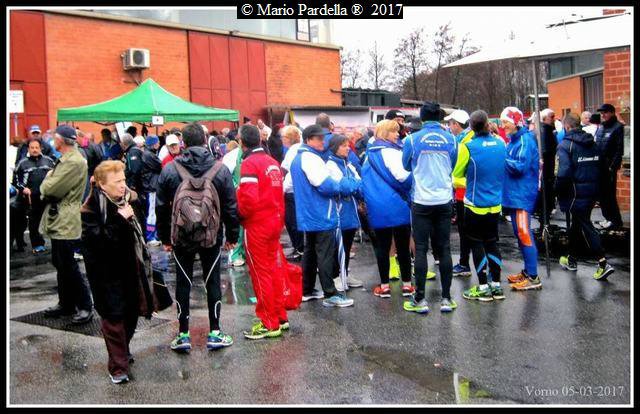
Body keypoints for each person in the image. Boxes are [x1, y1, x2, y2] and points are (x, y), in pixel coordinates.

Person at [81, 160, 167, 384]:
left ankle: (123, 350)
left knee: (131, 313)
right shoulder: (91, 207)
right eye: (117, 181)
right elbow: (96, 242)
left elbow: (139, 234)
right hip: (106, 273)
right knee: (113, 318)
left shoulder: (131, 199)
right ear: (102, 184)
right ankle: (118, 367)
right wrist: (120, 219)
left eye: (123, 180)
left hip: (132, 267)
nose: (122, 185)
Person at [156, 122, 239, 352]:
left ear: (183, 143)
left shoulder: (170, 169)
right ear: (204, 141)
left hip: (181, 235)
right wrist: (232, 235)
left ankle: (183, 334)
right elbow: (231, 206)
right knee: (212, 280)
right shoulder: (220, 169)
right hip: (212, 235)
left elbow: (161, 207)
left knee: (183, 281)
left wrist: (165, 238)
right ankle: (215, 332)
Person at [290, 124, 356, 308]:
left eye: (323, 138)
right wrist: (340, 186)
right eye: (319, 138)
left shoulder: (299, 157)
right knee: (324, 253)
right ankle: (330, 293)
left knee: (310, 252)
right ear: (308, 139)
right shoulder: (311, 158)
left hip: (309, 212)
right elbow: (327, 185)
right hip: (321, 213)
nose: (323, 142)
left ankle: (307, 289)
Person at [402, 102, 458, 313]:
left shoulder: (412, 139)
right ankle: (446, 299)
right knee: (444, 248)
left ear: (422, 117)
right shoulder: (451, 138)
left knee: (421, 248)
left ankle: (420, 299)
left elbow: (405, 165)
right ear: (440, 118)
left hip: (421, 200)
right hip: (444, 199)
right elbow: (452, 164)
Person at [236, 125, 288, 339]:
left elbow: (248, 199)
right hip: (275, 221)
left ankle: (269, 322)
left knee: (260, 273)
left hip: (257, 224)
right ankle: (280, 316)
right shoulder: (272, 161)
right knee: (273, 270)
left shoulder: (249, 163)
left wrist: (238, 215)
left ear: (242, 142)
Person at [40, 125, 93, 323]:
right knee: (60, 261)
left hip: (66, 218)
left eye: (55, 138)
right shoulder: (68, 159)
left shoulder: (73, 161)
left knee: (67, 263)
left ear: (61, 140)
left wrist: (47, 180)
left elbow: (51, 189)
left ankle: (85, 305)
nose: (53, 141)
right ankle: (66, 303)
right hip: (61, 216)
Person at [453, 111, 507, 302]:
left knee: (477, 243)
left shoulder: (468, 146)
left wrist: (470, 181)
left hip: (475, 204)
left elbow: (456, 176)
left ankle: (483, 287)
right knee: (492, 242)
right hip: (495, 204)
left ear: (471, 127)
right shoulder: (501, 144)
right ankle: (497, 285)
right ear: (487, 124)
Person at [556, 113, 615, 280]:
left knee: (585, 224)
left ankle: (603, 263)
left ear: (567, 127)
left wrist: (557, 190)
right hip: (592, 191)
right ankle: (571, 259)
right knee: (577, 224)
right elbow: (603, 168)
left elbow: (563, 173)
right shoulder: (592, 143)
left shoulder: (565, 145)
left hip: (575, 193)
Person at [362, 120, 414, 299]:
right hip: (398, 204)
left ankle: (384, 286)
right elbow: (403, 177)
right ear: (384, 133)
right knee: (403, 246)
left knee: (382, 247)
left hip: (377, 206)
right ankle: (407, 285)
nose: (397, 134)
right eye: (394, 131)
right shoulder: (393, 152)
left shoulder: (368, 155)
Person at [499, 107, 542, 291]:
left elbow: (520, 167)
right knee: (519, 233)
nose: (503, 126)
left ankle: (533, 276)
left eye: (506, 122)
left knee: (524, 233)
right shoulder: (514, 140)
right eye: (502, 122)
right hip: (515, 194)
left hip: (522, 195)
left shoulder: (524, 140)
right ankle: (527, 271)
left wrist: (501, 158)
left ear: (516, 122)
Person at [326, 134, 364, 291]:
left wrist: (352, 184)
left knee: (347, 246)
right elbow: (346, 187)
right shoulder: (330, 165)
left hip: (350, 212)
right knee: (337, 247)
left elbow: (361, 185)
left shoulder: (348, 164)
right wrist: (353, 184)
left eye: (348, 145)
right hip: (339, 212)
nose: (348, 148)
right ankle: (336, 277)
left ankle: (345, 273)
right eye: (343, 145)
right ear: (335, 148)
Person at [444, 109, 473, 277]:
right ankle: (466, 263)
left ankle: (464, 264)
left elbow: (458, 172)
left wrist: (450, 179)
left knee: (465, 231)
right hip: (467, 192)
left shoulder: (464, 142)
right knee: (468, 231)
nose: (449, 127)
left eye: (450, 123)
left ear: (456, 124)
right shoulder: (466, 138)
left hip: (465, 192)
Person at [13, 138, 56, 254]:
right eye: (32, 148)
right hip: (32, 199)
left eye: (37, 147)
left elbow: (57, 176)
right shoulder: (22, 163)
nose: (34, 150)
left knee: (53, 220)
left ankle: (56, 244)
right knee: (34, 222)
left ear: (40, 148)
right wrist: (23, 188)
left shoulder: (49, 161)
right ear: (28, 149)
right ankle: (38, 245)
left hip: (48, 196)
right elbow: (16, 181)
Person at [595, 103, 625, 230]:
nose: (603, 115)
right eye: (602, 113)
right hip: (599, 165)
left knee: (609, 195)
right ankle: (607, 218)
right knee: (602, 195)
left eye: (605, 112)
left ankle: (615, 220)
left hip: (609, 167)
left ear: (612, 112)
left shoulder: (618, 127)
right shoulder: (601, 127)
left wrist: (612, 167)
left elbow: (619, 149)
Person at [221, 136, 247, 268]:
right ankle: (235, 254)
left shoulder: (256, 153)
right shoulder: (231, 157)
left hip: (249, 197)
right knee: (237, 226)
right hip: (236, 197)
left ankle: (245, 253)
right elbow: (224, 177)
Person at [280, 125, 304, 260]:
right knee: (293, 221)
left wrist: (283, 189)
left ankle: (299, 248)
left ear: (289, 138)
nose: (282, 139)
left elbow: (289, 173)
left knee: (292, 221)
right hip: (295, 190)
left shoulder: (293, 151)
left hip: (291, 191)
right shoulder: (296, 149)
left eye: (284, 137)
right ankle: (299, 248)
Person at [537, 108, 558, 225]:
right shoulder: (545, 131)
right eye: (552, 117)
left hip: (549, 168)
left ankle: (545, 217)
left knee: (548, 192)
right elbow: (545, 151)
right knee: (546, 193)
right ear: (544, 119)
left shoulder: (550, 130)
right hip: (546, 169)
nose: (554, 119)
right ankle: (544, 219)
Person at [120, 133, 146, 226]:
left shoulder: (133, 152)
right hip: (139, 187)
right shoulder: (132, 151)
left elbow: (135, 170)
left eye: (120, 142)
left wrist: (132, 186)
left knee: (138, 211)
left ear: (124, 143)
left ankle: (142, 229)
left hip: (137, 188)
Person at [141, 135, 162, 244]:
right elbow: (160, 165)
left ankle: (153, 235)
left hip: (151, 187)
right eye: (157, 142)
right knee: (151, 213)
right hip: (151, 188)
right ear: (153, 144)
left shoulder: (148, 154)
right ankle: (150, 236)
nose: (159, 144)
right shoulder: (149, 155)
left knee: (153, 212)